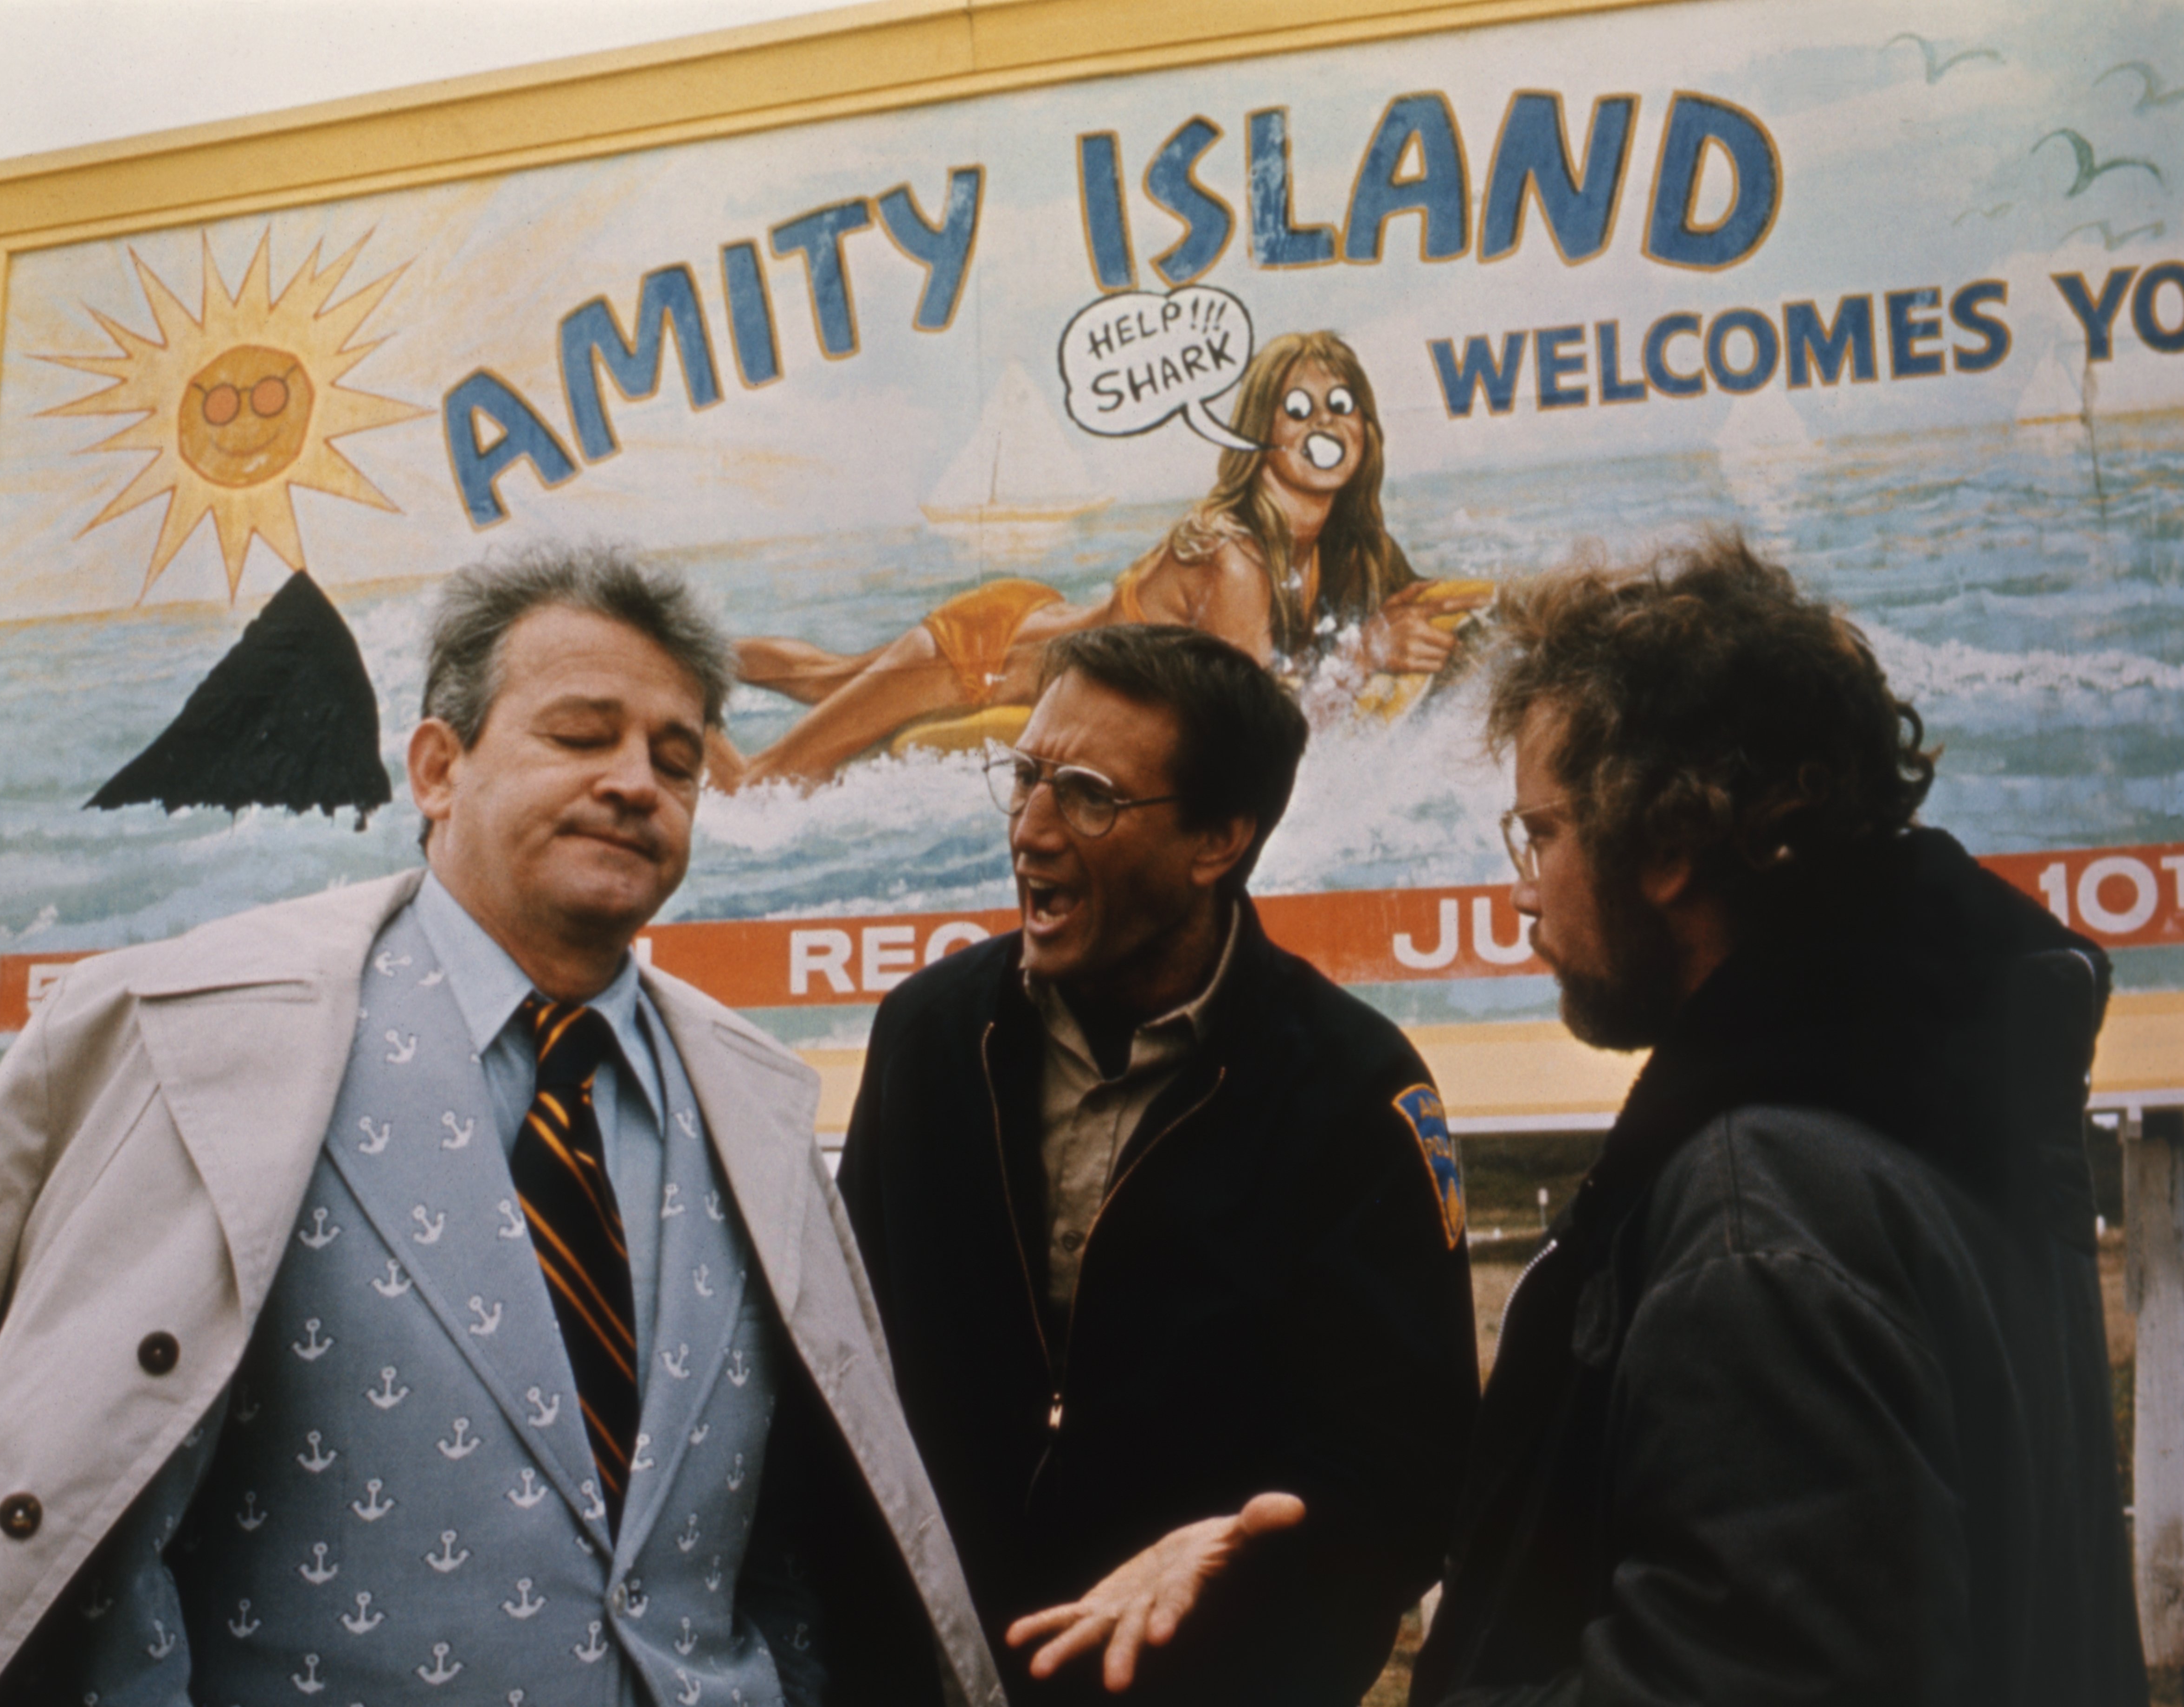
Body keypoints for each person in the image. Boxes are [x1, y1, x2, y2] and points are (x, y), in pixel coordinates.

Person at [0, 545, 1000, 1707]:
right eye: (580, 735)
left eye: (677, 760)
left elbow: (796, 1523)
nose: (636, 782)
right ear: (439, 768)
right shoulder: (175, 1033)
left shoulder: (756, 1100)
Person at [1412, 535, 2147, 1706]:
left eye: (1540, 833)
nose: (1521, 889)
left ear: (1662, 842)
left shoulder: (1765, 1210)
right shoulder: (1935, 1093)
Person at [836, 623, 1481, 1705]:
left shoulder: (1354, 1090)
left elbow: (1410, 1478)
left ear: (1217, 839)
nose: (1032, 830)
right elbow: (844, 1366)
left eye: (1087, 794)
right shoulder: (929, 1035)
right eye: (1025, 776)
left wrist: (1240, 1598)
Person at [713, 331, 1483, 788]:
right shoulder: (1233, 555)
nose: (1325, 426)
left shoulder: (1347, 548)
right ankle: (684, 688)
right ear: (1261, 433)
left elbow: (1428, 602)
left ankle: (705, 658)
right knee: (761, 782)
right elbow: (1260, 727)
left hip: (1033, 613)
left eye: (1341, 406)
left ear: (1367, 428)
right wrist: (1369, 652)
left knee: (823, 676)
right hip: (979, 656)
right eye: (1299, 408)